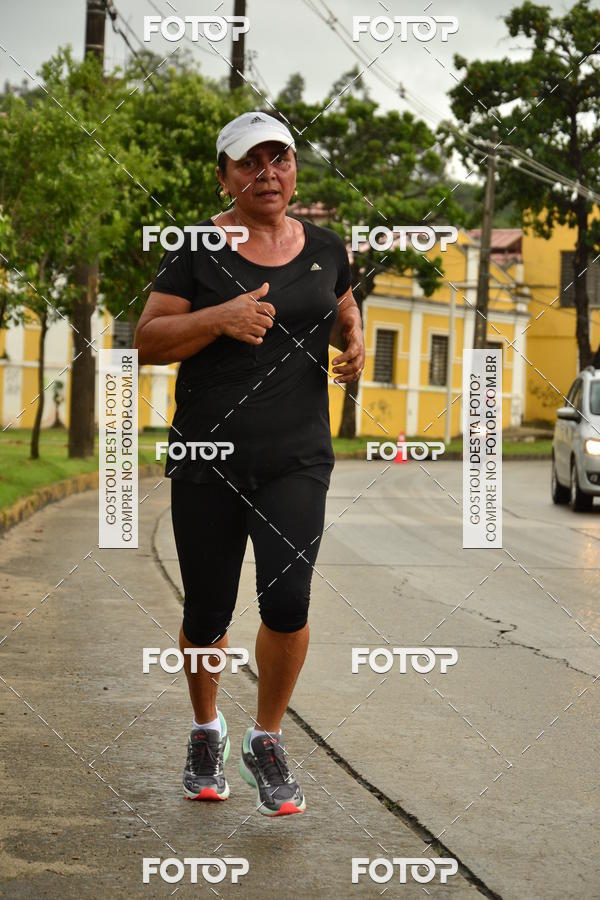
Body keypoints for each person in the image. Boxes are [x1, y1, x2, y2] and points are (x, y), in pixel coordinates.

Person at [134, 110, 365, 817]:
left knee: (287, 602)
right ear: (224, 176)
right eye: (250, 162)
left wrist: (354, 343)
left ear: (295, 169)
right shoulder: (196, 248)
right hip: (208, 458)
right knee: (207, 610)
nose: (268, 173)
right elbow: (146, 341)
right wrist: (220, 318)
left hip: (297, 458)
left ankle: (267, 739)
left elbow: (342, 306)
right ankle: (207, 731)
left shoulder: (325, 247)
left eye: (280, 158)